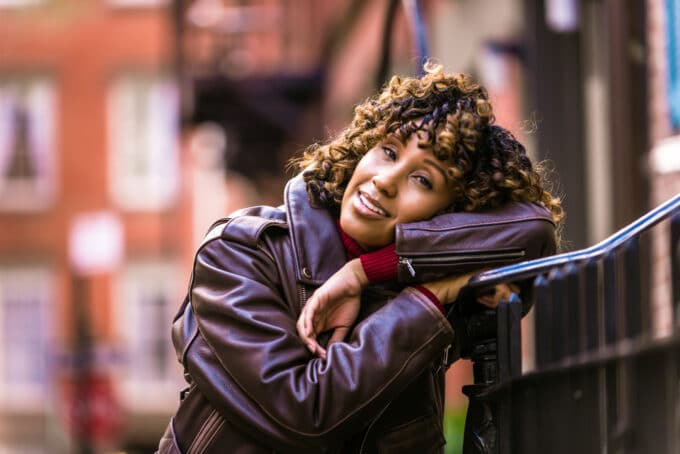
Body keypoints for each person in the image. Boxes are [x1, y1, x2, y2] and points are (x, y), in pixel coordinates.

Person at [157, 63, 563, 454]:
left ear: (452, 216)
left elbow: (535, 231)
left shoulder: (419, 293)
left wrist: (365, 272)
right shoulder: (242, 251)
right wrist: (429, 297)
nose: (385, 181)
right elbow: (304, 413)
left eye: (423, 180)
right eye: (388, 151)